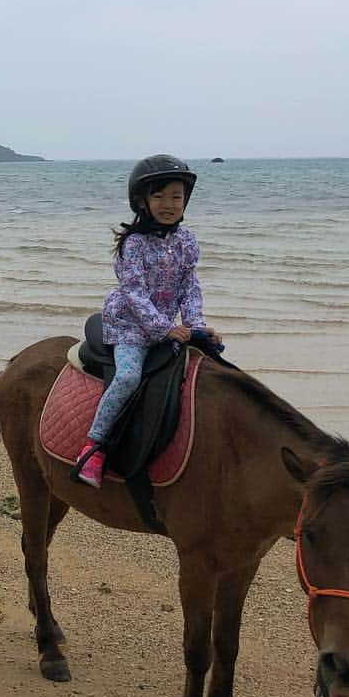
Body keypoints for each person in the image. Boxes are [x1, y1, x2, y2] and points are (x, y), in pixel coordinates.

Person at [75, 155, 218, 488]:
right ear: (142, 201)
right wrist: (165, 328)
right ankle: (93, 446)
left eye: (176, 196)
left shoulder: (187, 243)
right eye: (159, 196)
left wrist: (195, 325)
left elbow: (190, 288)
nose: (168, 204)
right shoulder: (133, 245)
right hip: (130, 327)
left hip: (167, 325)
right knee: (127, 377)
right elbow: (135, 294)